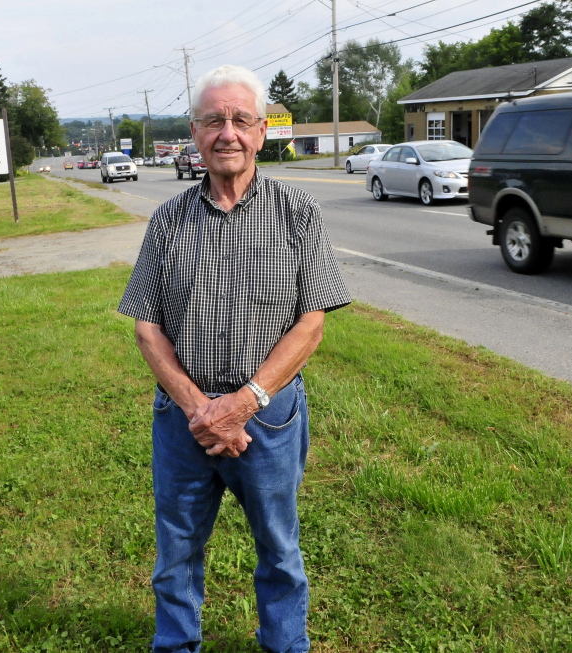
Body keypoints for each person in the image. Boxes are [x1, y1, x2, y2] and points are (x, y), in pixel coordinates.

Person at [118, 64, 350, 653]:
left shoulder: (298, 213)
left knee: (279, 549)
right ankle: (175, 646)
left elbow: (312, 322)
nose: (228, 132)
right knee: (176, 552)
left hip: (269, 417)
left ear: (262, 131)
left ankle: (284, 646)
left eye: (241, 120)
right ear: (195, 133)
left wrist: (244, 403)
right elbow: (147, 328)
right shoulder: (168, 219)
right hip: (184, 420)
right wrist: (201, 409)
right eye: (214, 120)